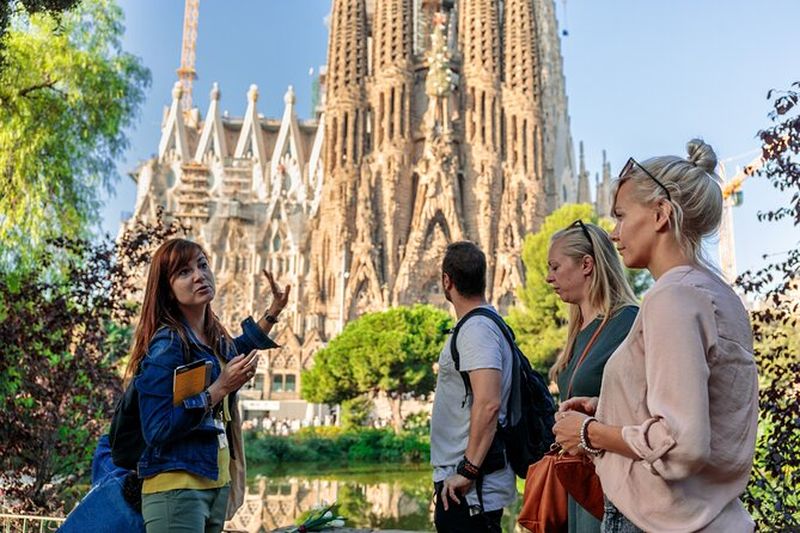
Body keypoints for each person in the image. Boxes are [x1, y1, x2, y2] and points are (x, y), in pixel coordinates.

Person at [554, 140, 759, 532]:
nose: (614, 234)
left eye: (621, 216)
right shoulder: (718, 295)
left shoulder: (672, 297)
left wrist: (587, 432)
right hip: (715, 517)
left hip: (660, 521)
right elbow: (703, 409)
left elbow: (682, 444)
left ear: (661, 214)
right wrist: (609, 405)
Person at [127, 238, 290, 533]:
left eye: (202, 265)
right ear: (167, 289)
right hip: (176, 488)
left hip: (214, 483)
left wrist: (272, 314)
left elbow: (235, 350)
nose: (199, 276)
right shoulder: (167, 346)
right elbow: (156, 429)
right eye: (184, 272)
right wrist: (219, 389)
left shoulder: (209, 337)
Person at [546, 220, 639, 533]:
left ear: (586, 264)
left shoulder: (628, 322)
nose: (548, 278)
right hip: (580, 480)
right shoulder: (578, 333)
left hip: (613, 488)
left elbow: (649, 410)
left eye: (556, 267)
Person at [431, 241, 516, 533]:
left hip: (470, 489)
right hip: (465, 483)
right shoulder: (480, 325)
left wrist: (467, 471)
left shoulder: (477, 330)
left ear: (447, 281)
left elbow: (489, 403)